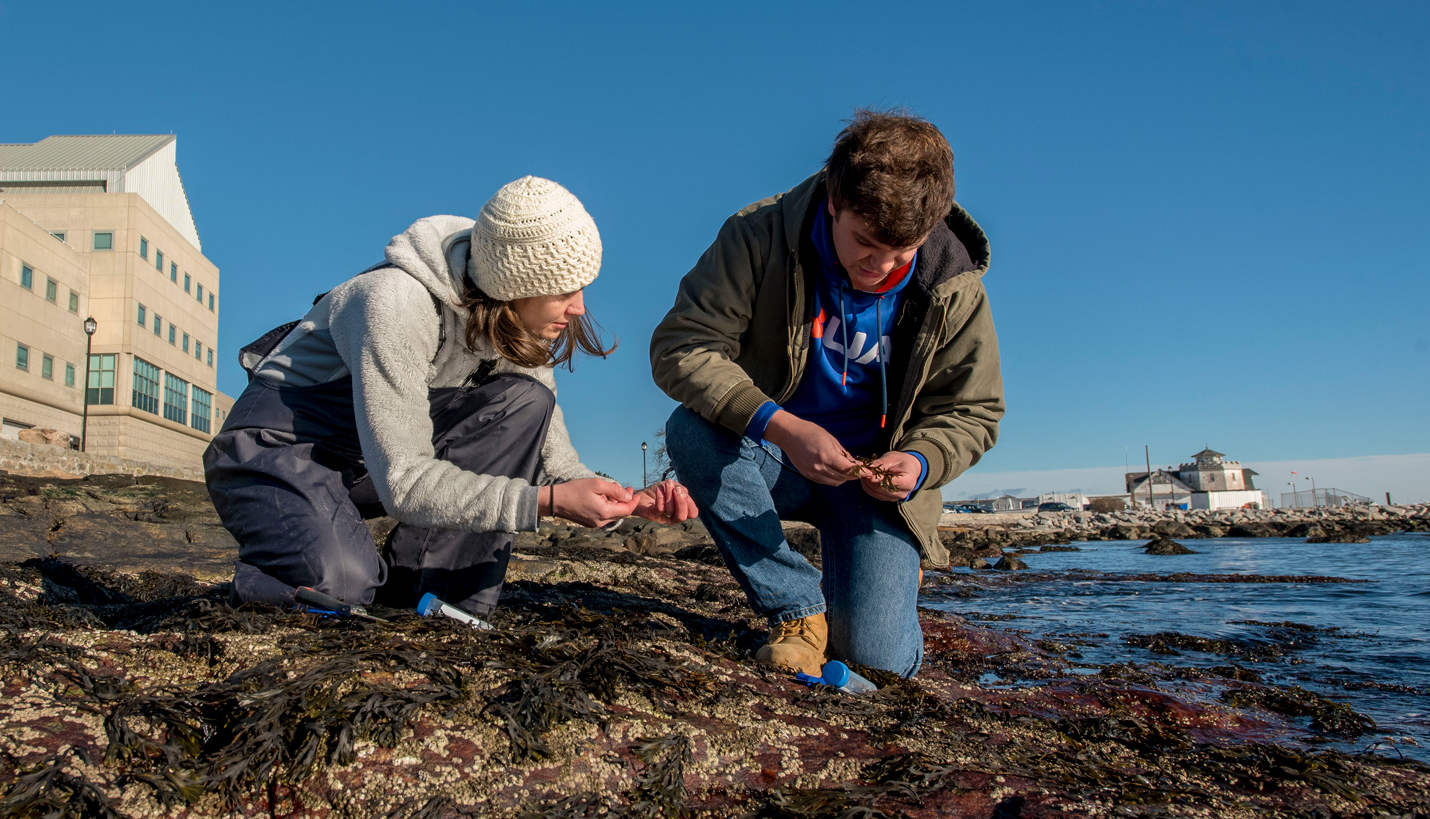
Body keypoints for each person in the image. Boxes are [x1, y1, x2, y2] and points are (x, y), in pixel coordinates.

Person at [207, 176, 697, 618]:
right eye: (562, 290)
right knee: (342, 586)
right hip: (278, 451)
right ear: (514, 285)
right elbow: (403, 482)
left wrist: (630, 503)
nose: (579, 308)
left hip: (369, 463)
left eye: (582, 287)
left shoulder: (522, 328)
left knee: (526, 401)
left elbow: (556, 463)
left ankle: (432, 595)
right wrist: (543, 504)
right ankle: (276, 572)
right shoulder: (392, 303)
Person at [649, 110, 1002, 677]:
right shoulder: (757, 234)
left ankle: (881, 577)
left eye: (902, 252)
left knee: (880, 664)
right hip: (774, 457)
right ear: (834, 201)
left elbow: (973, 410)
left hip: (877, 489)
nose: (881, 267)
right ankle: (798, 608)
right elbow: (681, 348)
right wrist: (782, 426)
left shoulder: (953, 284)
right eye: (865, 243)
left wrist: (918, 461)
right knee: (690, 429)